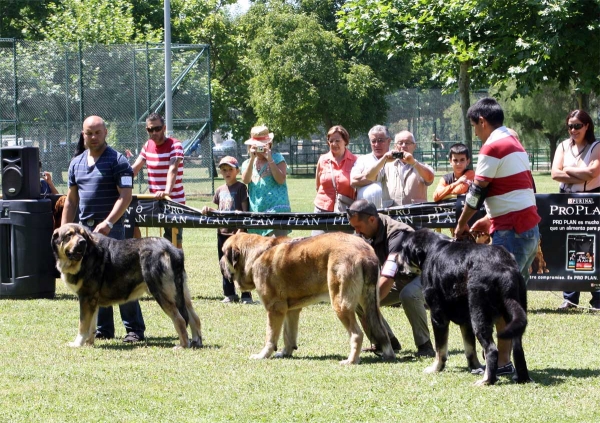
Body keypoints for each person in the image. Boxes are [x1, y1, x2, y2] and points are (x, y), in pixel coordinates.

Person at [455, 97, 540, 376]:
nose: (475, 134)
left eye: (474, 127)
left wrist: (462, 224)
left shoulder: (492, 146)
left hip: (511, 231)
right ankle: (509, 362)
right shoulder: (514, 142)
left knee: (503, 302)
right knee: (512, 299)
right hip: (526, 229)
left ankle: (502, 364)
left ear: (482, 121)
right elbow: (517, 191)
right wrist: (489, 218)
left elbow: (476, 192)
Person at [61, 115, 146, 343]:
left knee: (122, 278)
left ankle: (134, 330)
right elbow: (71, 200)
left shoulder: (118, 161)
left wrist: (108, 222)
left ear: (105, 133)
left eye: (98, 132)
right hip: (84, 234)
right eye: (89, 133)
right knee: (93, 281)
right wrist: (63, 230)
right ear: (83, 134)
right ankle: (104, 329)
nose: (93, 137)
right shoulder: (76, 163)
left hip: (113, 230)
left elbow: (125, 196)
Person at [347, 199, 435, 358]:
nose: (357, 232)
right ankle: (385, 341)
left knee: (408, 294)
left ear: (372, 220)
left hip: (428, 274)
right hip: (403, 276)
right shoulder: (365, 232)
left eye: (358, 227)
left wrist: (371, 307)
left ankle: (425, 346)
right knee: (358, 298)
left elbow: (388, 275)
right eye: (354, 228)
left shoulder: (397, 234)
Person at [551, 109, 600, 311]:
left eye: (577, 125)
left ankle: (597, 297)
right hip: (566, 202)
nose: (573, 129)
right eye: (570, 126)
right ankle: (570, 298)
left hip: (593, 202)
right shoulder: (562, 146)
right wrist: (580, 176)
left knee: (594, 248)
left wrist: (568, 171)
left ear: (587, 126)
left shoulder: (596, 146)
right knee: (569, 246)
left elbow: (593, 172)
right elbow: (555, 173)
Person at [201, 156, 253, 304]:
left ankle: (246, 294)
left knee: (241, 264)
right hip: (222, 233)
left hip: (237, 234)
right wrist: (209, 209)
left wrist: (241, 230)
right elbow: (219, 210)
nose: (227, 172)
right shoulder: (219, 190)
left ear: (237, 170)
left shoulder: (241, 188)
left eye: (230, 169)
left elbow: (244, 211)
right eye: (224, 170)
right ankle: (229, 294)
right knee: (224, 263)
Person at [131, 113, 186, 249]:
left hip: (173, 202)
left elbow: (173, 169)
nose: (154, 132)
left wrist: (166, 192)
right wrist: (120, 181)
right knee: (130, 221)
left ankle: (177, 269)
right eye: (150, 130)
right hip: (154, 201)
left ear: (164, 128)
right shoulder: (147, 145)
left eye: (157, 128)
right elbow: (135, 168)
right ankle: (141, 253)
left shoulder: (175, 145)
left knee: (173, 242)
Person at [240, 125, 291, 237]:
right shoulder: (247, 163)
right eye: (256, 146)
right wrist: (252, 158)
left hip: (277, 215)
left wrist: (270, 159)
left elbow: (281, 180)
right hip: (257, 215)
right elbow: (245, 180)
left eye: (262, 146)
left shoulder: (278, 158)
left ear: (269, 144)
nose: (260, 149)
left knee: (277, 252)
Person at [363, 130, 435, 207]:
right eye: (400, 143)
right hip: (392, 215)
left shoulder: (422, 166)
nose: (403, 146)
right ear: (395, 146)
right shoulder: (386, 165)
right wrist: (384, 158)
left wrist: (414, 163)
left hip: (416, 214)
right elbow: (368, 176)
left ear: (414, 146)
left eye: (407, 143)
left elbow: (430, 178)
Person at [312, 125, 357, 235]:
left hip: (345, 211)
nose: (334, 144)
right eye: (331, 141)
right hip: (322, 209)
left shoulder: (355, 161)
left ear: (345, 141)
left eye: (338, 140)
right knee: (318, 247)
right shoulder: (322, 160)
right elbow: (318, 186)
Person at [350, 125, 392, 208]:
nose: (376, 144)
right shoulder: (362, 160)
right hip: (366, 213)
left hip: (391, 208)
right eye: (373, 141)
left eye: (380, 140)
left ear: (389, 141)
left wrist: (369, 175)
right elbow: (353, 181)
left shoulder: (396, 159)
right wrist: (379, 176)